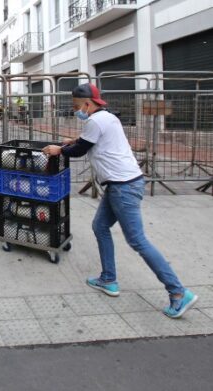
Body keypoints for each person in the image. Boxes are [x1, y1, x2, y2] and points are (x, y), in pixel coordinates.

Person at [42, 83, 198, 319]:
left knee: (137, 241)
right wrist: (73, 141)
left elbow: (79, 150)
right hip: (120, 184)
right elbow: (87, 141)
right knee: (100, 226)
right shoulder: (107, 118)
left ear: (87, 104)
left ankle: (178, 292)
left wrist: (58, 150)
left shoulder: (95, 121)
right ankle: (108, 279)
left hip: (123, 187)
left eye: (77, 106)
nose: (76, 111)